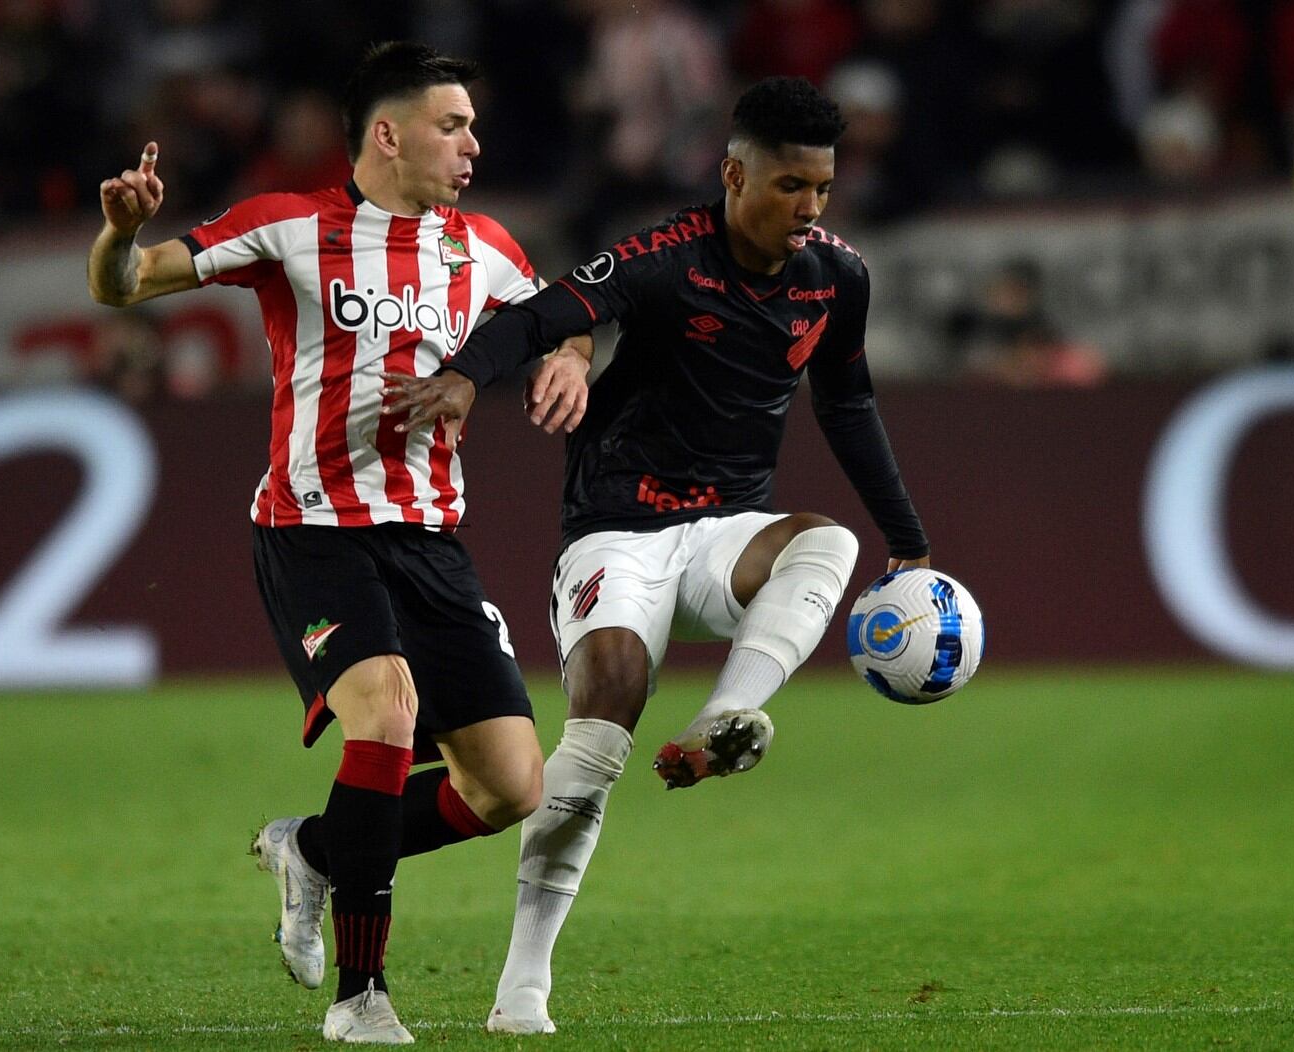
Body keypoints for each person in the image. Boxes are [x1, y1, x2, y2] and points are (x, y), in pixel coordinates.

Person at [383, 75, 932, 1034]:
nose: (808, 209)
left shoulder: (836, 277)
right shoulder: (663, 257)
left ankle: (727, 720)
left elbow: (847, 406)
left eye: (821, 190)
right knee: (595, 745)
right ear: (732, 176)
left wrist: (913, 546)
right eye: (788, 187)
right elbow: (542, 312)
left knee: (828, 540)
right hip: (616, 533)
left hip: (726, 535)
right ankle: (521, 989)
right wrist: (468, 378)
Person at [87, 42, 591, 1045]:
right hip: (314, 531)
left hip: (432, 543)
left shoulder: (481, 246)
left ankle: (314, 848)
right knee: (388, 713)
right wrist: (119, 234)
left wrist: (570, 361)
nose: (472, 145)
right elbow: (124, 286)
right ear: (389, 134)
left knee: (508, 784)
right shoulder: (290, 227)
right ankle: (361, 995)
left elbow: (561, 319)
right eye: (453, 125)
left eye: (474, 126)